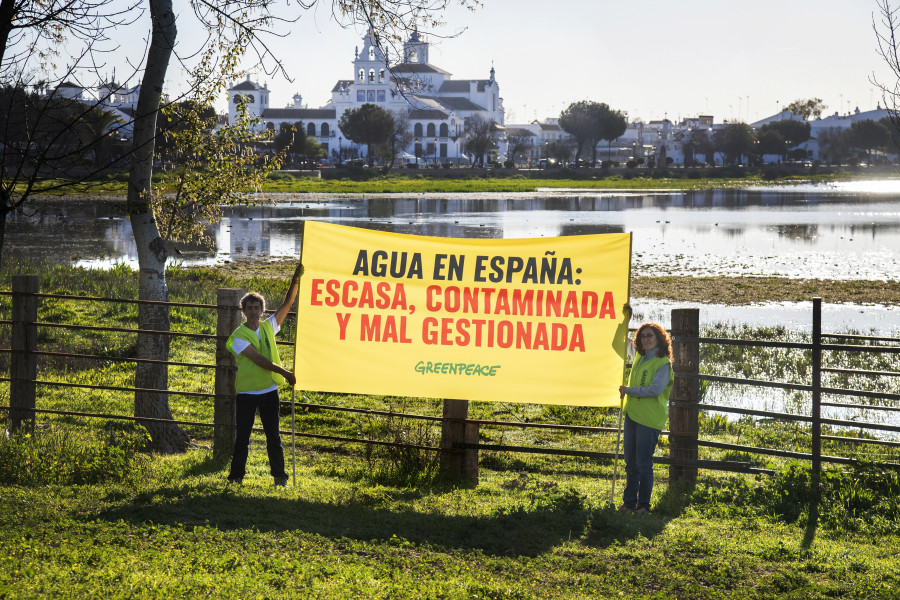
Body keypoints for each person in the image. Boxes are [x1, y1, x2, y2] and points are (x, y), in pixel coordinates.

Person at [226, 264, 302, 487]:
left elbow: (288, 303)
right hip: (248, 393)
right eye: (248, 307)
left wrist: (295, 280)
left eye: (256, 307)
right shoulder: (239, 335)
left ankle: (280, 479)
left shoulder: (270, 326)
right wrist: (285, 372)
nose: (252, 311)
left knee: (274, 437)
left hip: (269, 391)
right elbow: (258, 360)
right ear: (244, 311)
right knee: (242, 439)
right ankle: (236, 478)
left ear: (262, 310)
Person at [618, 322, 674, 514]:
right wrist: (624, 319)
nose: (646, 339)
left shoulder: (663, 363)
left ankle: (643, 505)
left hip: (649, 419)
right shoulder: (639, 357)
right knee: (631, 462)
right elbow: (617, 343)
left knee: (643, 462)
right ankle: (629, 503)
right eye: (643, 336)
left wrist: (628, 390)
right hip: (633, 415)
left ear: (659, 338)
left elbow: (655, 390)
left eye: (650, 336)